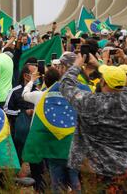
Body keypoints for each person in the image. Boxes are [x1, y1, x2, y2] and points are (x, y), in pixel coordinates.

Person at [59, 53, 127, 188]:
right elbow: (121, 87)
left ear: (103, 82)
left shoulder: (91, 102)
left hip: (94, 166)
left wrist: (76, 66)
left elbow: (65, 86)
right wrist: (99, 65)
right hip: (124, 163)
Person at [23, 52, 91, 193]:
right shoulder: (85, 90)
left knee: (57, 185)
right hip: (75, 147)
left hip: (54, 147)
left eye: (60, 66)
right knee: (76, 182)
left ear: (63, 68)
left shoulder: (46, 93)